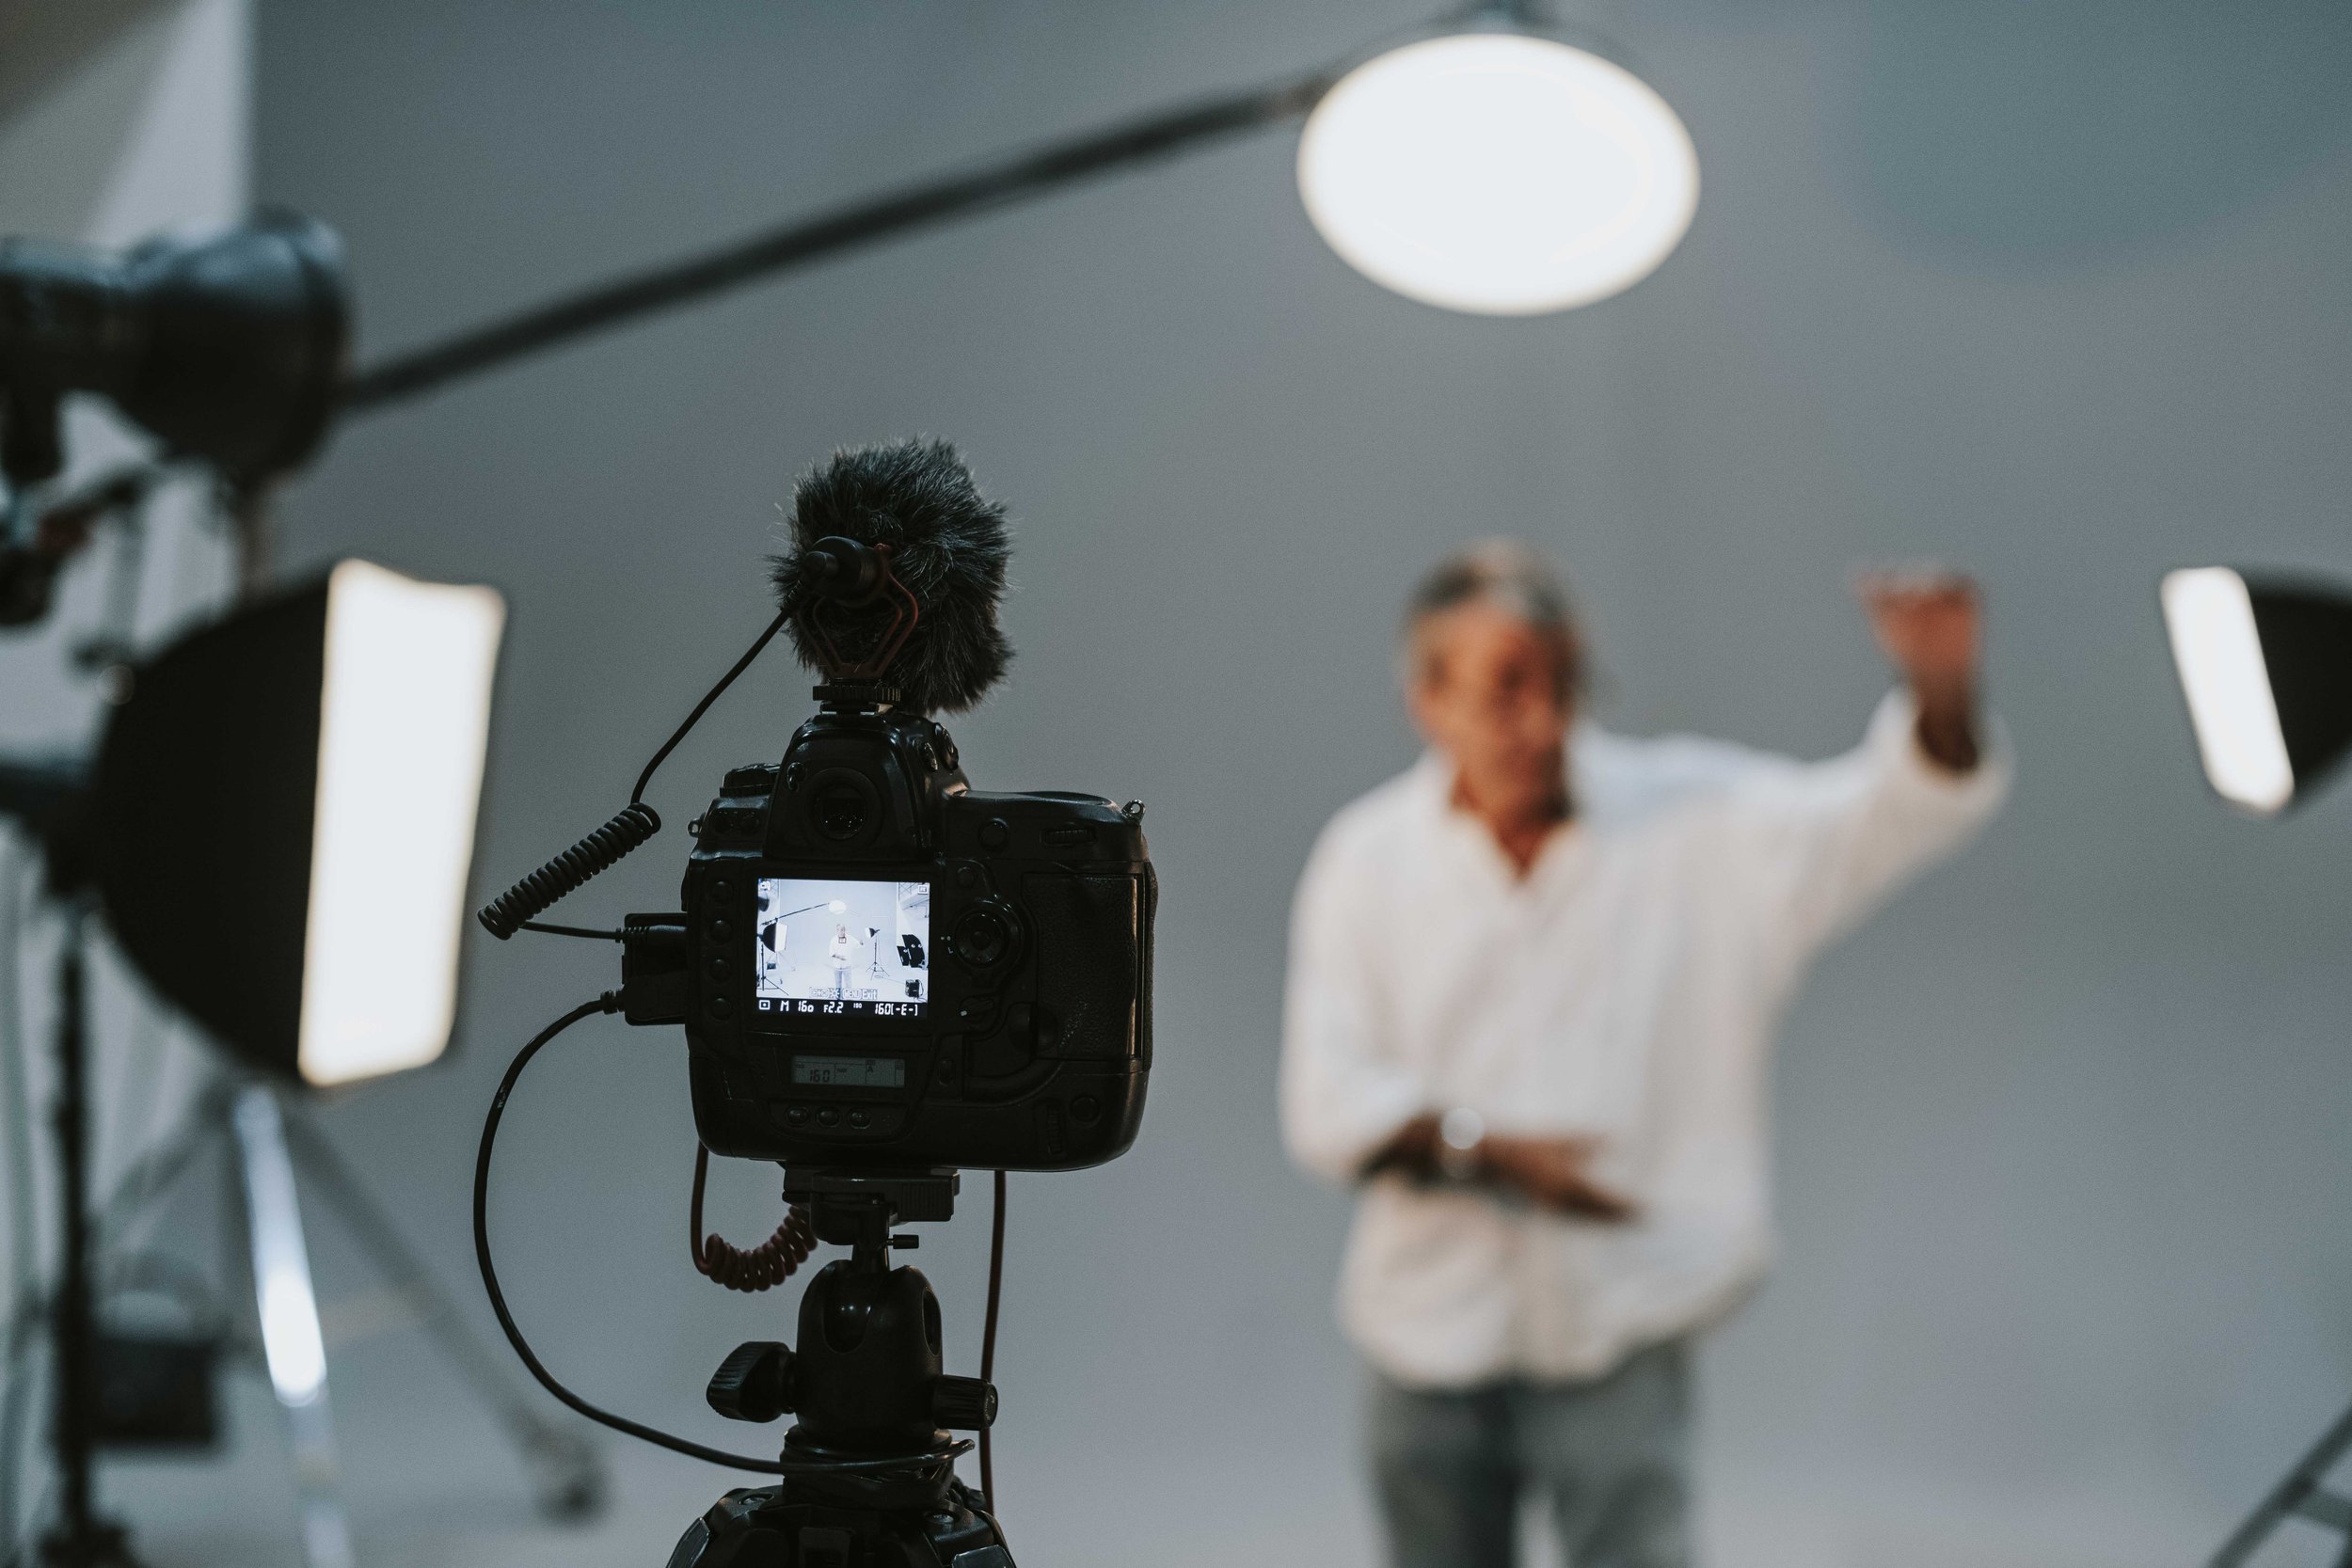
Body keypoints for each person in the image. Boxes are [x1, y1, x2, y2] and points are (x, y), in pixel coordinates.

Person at [1279, 542, 2010, 1568]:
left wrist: (1938, 688)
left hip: (1617, 1317)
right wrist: (1482, 1148)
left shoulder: (1691, 823)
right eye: (1505, 688)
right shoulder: (1366, 860)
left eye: (1562, 684)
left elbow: (1878, 818)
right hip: (1426, 1328)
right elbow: (1325, 1097)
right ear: (1426, 698)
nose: (1541, 721)